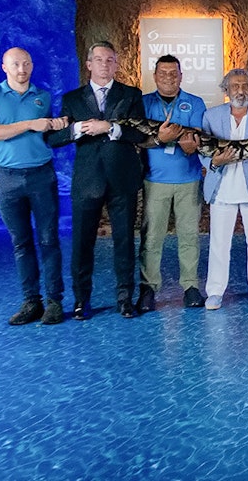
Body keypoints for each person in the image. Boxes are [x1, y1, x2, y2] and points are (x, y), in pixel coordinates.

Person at [47, 41, 147, 320]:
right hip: (87, 181)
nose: (105, 64)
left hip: (122, 179)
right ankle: (81, 301)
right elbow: (53, 138)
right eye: (99, 60)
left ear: (117, 64)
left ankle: (126, 298)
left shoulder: (131, 94)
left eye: (110, 60)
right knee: (82, 243)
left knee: (125, 241)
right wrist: (76, 129)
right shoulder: (72, 99)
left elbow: (139, 134)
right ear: (88, 64)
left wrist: (112, 128)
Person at [0, 47, 69, 325]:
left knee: (49, 240)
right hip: (8, 179)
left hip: (42, 176)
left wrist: (58, 125)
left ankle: (54, 301)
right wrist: (30, 123)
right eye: (15, 64)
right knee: (21, 243)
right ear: (4, 67)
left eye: (26, 63)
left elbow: (49, 133)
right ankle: (31, 301)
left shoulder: (43, 97)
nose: (21, 69)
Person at [200, 68, 248, 310]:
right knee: (219, 243)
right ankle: (214, 292)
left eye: (245, 86)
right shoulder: (211, 117)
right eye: (235, 86)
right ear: (226, 90)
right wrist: (214, 162)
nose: (240, 90)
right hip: (221, 186)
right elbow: (203, 151)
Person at [136, 54, 207, 312]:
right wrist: (159, 140)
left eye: (173, 73)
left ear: (181, 76)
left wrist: (191, 147)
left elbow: (198, 139)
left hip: (188, 179)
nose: (168, 77)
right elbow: (136, 140)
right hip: (155, 180)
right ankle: (148, 287)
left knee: (189, 236)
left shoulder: (195, 103)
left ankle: (190, 286)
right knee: (152, 237)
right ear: (154, 76)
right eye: (163, 73)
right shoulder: (143, 103)